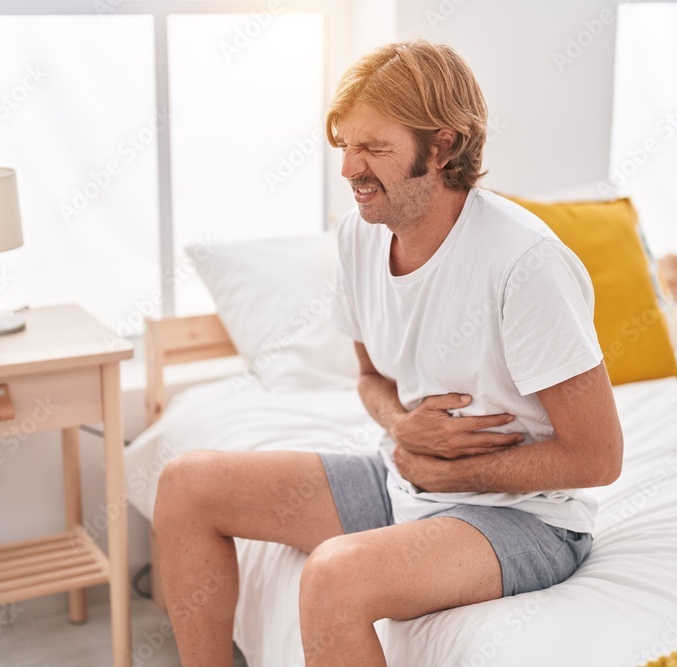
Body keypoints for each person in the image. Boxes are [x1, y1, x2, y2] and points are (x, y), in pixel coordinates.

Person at [153, 39, 624, 667]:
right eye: (344, 145)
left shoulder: (524, 263)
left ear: (444, 146)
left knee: (334, 575)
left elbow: (599, 456)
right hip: (406, 477)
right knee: (186, 485)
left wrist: (457, 473)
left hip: (527, 520)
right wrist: (402, 425)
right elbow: (372, 377)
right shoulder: (358, 236)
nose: (349, 168)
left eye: (374, 148)